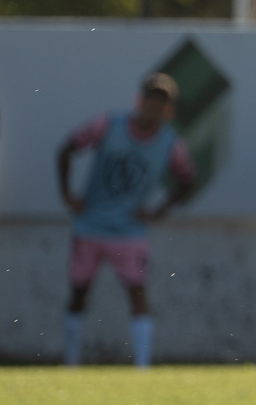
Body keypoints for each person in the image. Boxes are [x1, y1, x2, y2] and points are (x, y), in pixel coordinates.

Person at [56, 73, 197, 368]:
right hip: (90, 225)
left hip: (129, 231)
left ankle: (143, 365)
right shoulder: (108, 125)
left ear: (167, 110)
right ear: (139, 101)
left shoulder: (171, 144)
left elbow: (188, 180)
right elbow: (66, 149)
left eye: (160, 105)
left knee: (137, 291)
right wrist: (68, 195)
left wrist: (160, 210)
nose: (152, 110)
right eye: (149, 102)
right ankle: (71, 361)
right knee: (79, 291)